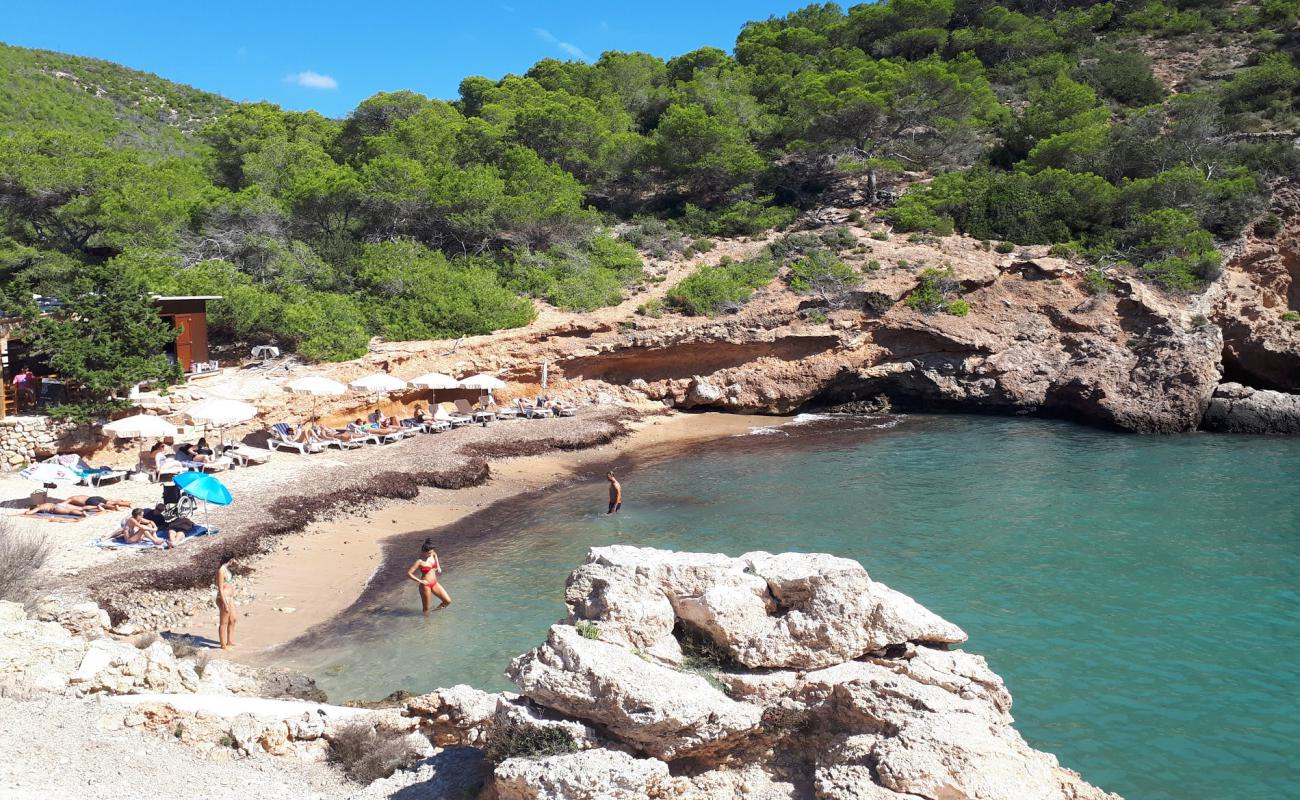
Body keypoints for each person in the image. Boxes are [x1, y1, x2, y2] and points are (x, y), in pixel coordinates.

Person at [406, 538, 451, 614]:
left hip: (434, 583)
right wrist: (420, 581)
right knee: (426, 608)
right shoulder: (419, 561)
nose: (431, 554)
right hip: (425, 586)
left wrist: (438, 566)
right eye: (429, 553)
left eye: (431, 552)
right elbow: (408, 574)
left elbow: (435, 554)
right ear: (423, 552)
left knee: (447, 601)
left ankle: (434, 612)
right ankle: (427, 623)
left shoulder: (432, 554)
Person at [215, 553, 237, 650]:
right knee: (224, 622)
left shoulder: (227, 569)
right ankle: (223, 645)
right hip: (224, 598)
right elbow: (220, 588)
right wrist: (225, 603)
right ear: (231, 559)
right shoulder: (221, 571)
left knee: (233, 619)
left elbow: (236, 567)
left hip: (230, 598)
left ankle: (230, 641)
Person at [66, 494, 131, 511]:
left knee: (103, 505)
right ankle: (127, 504)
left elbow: (64, 504)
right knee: (111, 502)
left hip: (89, 501)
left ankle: (114, 507)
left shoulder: (70, 499)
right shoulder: (78, 496)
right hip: (95, 497)